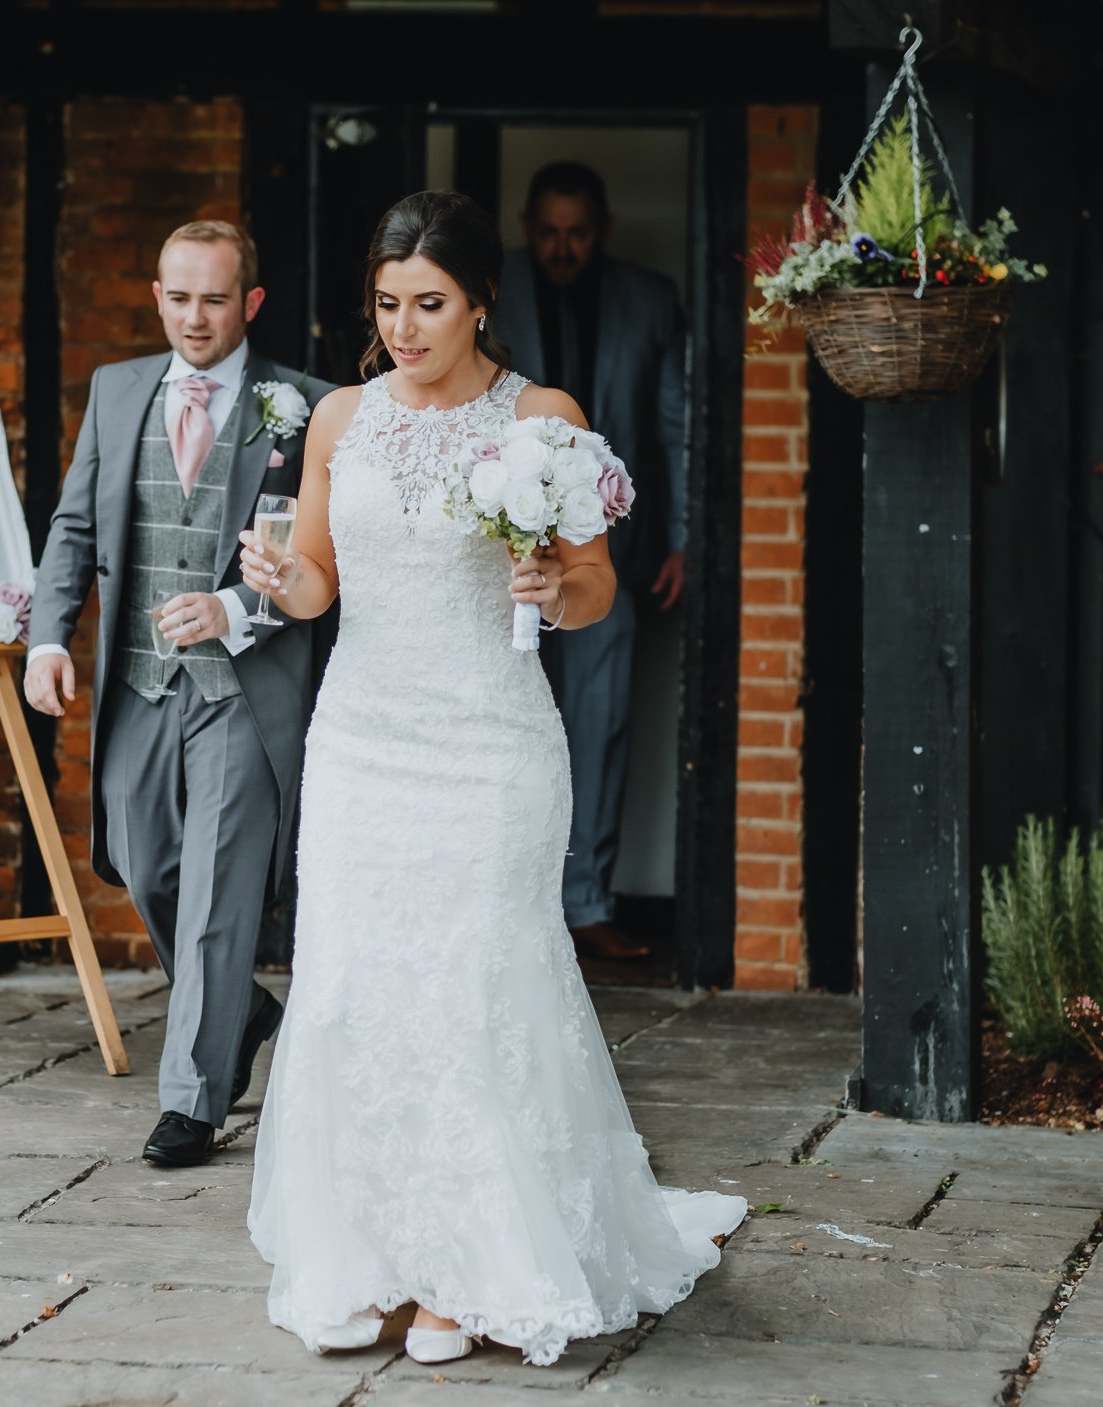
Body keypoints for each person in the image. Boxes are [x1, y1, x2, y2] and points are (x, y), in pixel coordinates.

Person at [242, 191, 744, 1368]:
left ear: (480, 305)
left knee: (471, 993)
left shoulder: (541, 420)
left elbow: (595, 587)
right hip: (361, 742)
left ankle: (467, 1271)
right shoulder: (338, 421)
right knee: (358, 993)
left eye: (428, 305)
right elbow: (320, 580)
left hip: (489, 748)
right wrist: (277, 581)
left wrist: (549, 594)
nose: (404, 329)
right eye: (386, 305)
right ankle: (370, 1256)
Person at [25, 220, 335, 1169]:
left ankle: (193, 1101)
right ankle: (238, 1008)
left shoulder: (305, 407)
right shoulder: (118, 391)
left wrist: (237, 606)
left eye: (212, 298)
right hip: (139, 679)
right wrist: (47, 636)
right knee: (141, 856)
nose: (192, 317)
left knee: (213, 892)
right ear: (155, 294)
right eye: (176, 295)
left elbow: (311, 555)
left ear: (250, 304)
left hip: (243, 684)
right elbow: (75, 524)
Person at [493, 160, 689, 961]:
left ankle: (589, 902)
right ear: (526, 229)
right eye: (548, 232)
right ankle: (513, 905)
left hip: (614, 552)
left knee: (602, 729)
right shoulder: (489, 290)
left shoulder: (650, 300)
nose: (562, 247)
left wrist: (683, 534)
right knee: (505, 730)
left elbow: (676, 421)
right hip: (502, 556)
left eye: (577, 233)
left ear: (601, 229)